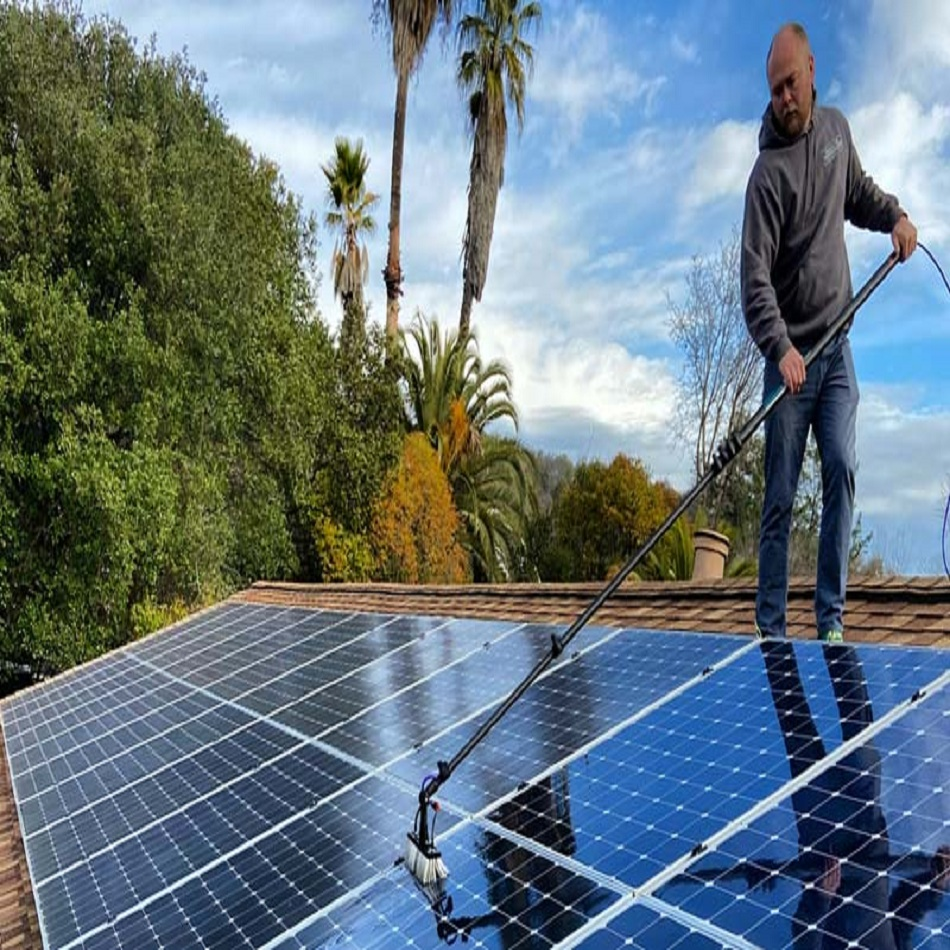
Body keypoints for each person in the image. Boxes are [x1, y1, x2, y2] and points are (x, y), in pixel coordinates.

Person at [741, 22, 918, 641]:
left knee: (842, 467)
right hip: (790, 365)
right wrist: (781, 347)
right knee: (781, 498)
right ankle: (770, 630)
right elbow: (754, 282)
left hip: (836, 351)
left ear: (812, 71)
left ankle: (831, 621)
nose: (783, 98)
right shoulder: (766, 177)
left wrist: (894, 215)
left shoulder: (838, 133)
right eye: (774, 91)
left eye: (790, 84)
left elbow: (860, 196)